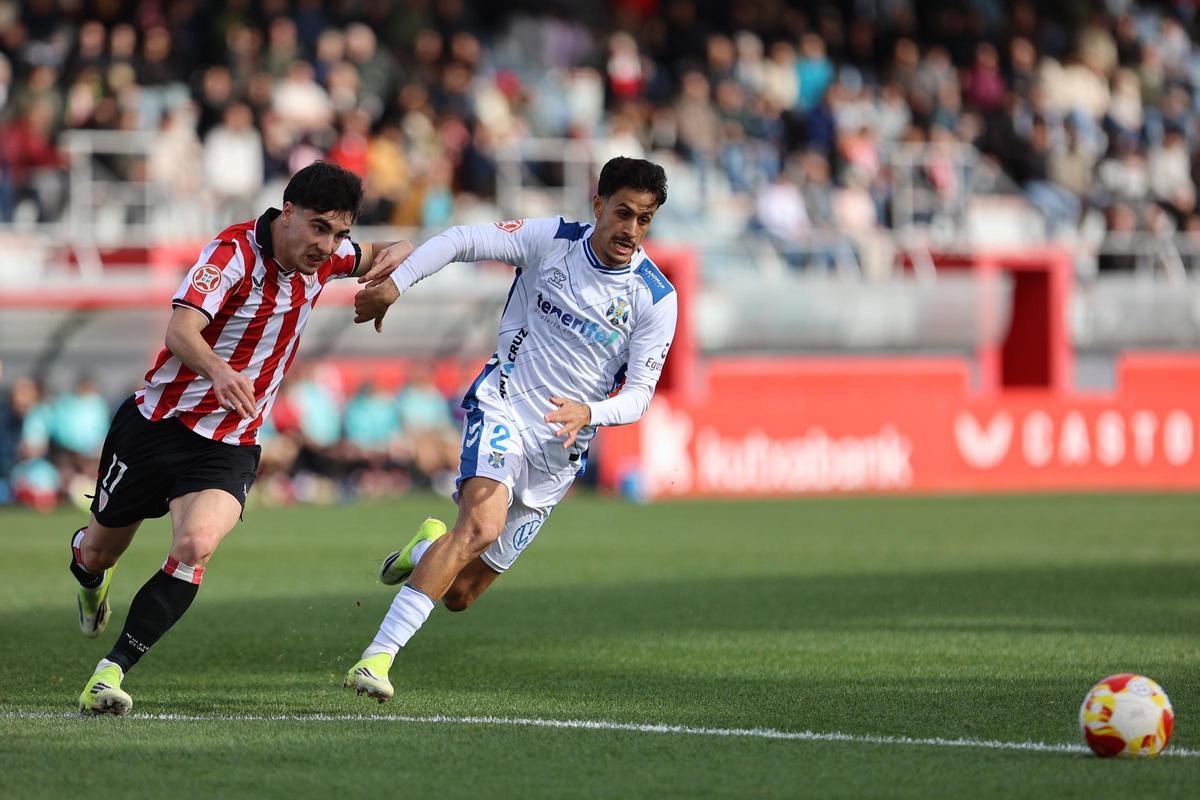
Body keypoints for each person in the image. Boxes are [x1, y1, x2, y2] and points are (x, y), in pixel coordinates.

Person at [70, 161, 413, 715]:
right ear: (288, 212)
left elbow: (387, 251)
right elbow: (180, 328)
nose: (329, 246)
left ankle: (109, 673)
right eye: (320, 227)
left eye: (340, 233)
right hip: (155, 426)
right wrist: (220, 371)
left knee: (195, 546)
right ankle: (89, 576)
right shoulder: (232, 254)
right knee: (99, 549)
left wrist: (394, 269)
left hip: (229, 442)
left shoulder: (326, 260)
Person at [343, 156, 676, 702]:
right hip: (505, 405)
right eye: (623, 213)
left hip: (561, 449)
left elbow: (640, 394)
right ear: (597, 205)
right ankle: (375, 659)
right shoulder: (550, 241)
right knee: (480, 527)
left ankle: (429, 544)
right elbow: (457, 240)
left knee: (462, 594)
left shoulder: (655, 297)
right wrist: (395, 285)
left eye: (644, 219)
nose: (631, 230)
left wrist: (590, 413)